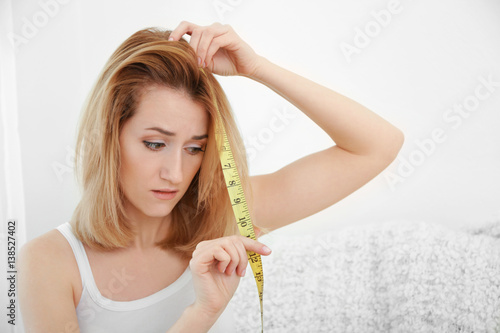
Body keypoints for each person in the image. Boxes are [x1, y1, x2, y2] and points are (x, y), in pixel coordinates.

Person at [18, 21, 404, 332]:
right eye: (155, 144)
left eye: (194, 148)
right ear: (109, 137)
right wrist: (199, 317)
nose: (175, 173)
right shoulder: (49, 263)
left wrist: (256, 68)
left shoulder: (224, 215)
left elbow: (377, 145)